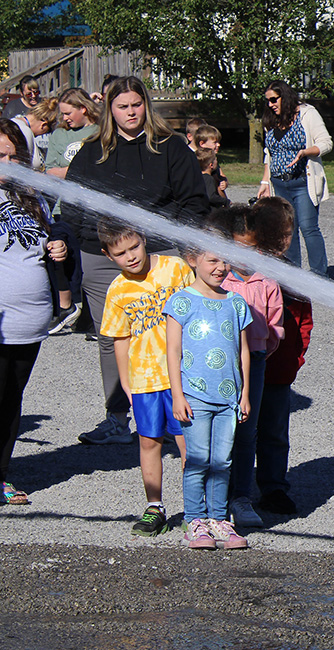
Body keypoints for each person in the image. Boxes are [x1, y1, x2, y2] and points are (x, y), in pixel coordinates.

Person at [64, 75, 208, 445]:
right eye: (122, 106)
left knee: (170, 332)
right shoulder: (92, 150)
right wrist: (86, 239)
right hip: (100, 256)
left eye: (137, 104)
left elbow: (193, 202)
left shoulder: (172, 148)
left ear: (147, 104)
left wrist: (179, 244)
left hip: (160, 253)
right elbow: (73, 202)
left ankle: (183, 407)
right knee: (112, 337)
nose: (131, 112)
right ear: (109, 110)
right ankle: (116, 418)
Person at [99, 221, 194, 536]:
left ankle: (196, 508)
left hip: (181, 377)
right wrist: (126, 382)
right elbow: (120, 338)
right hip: (144, 380)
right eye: (120, 253)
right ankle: (155, 506)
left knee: (187, 442)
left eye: (134, 247)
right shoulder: (118, 289)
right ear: (108, 255)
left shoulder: (176, 269)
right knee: (149, 441)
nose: (130, 257)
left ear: (144, 239)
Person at [164, 234, 253, 550]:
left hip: (228, 398)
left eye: (225, 260)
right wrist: (177, 395)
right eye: (212, 260)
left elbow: (243, 351)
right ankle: (195, 520)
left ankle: (218, 519)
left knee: (223, 460)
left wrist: (243, 395)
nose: (220, 267)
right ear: (193, 259)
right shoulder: (181, 301)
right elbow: (172, 351)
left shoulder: (236, 303)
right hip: (195, 396)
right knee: (198, 459)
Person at [0, 119, 67, 506]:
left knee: (11, 401)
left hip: (29, 320)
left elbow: (45, 239)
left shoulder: (31, 197)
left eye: (13, 156)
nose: (7, 163)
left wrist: (57, 246)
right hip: (0, 320)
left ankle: (2, 475)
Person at [211, 205, 286, 527]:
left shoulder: (268, 281)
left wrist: (257, 354)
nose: (244, 256)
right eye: (236, 248)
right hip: (216, 363)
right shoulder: (217, 280)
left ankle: (241, 497)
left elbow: (275, 329)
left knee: (246, 432)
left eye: (252, 248)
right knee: (216, 430)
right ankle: (214, 498)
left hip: (253, 363)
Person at [250, 197, 312, 516]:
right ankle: (236, 490)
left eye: (288, 233)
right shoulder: (242, 270)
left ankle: (273, 488)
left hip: (278, 372)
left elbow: (304, 320)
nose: (285, 240)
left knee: (275, 433)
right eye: (279, 233)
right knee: (242, 430)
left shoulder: (292, 274)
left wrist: (295, 359)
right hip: (243, 371)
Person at [257, 80, 332, 277]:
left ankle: (319, 275)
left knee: (308, 227)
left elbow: (326, 143)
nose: (271, 104)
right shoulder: (271, 119)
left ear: (285, 96)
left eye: (274, 99)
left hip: (302, 181)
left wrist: (306, 152)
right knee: (287, 230)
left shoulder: (307, 114)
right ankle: (293, 275)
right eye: (268, 101)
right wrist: (265, 182)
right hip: (279, 183)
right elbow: (269, 154)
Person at [44, 88, 102, 335]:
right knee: (62, 259)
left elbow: (100, 170)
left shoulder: (99, 132)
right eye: (62, 114)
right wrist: (80, 172)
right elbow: (49, 171)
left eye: (68, 113)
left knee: (91, 262)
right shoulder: (58, 135)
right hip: (64, 206)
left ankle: (91, 319)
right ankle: (66, 308)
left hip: (93, 207)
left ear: (84, 109)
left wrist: (68, 171)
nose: (65, 118)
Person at [10, 97, 58, 170]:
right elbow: (27, 164)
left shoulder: (11, 123)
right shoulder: (25, 131)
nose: (41, 135)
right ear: (44, 125)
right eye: (48, 131)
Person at [195, 125, 229, 201]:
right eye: (215, 142)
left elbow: (222, 176)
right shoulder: (197, 160)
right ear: (202, 144)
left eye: (218, 142)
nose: (218, 145)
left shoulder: (213, 159)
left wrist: (225, 182)